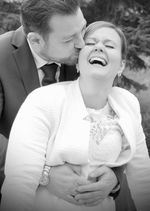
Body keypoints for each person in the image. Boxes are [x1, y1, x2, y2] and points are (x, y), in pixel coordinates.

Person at [0, 0, 127, 208]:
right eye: (69, 39)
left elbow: (114, 116)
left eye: (83, 29)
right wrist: (43, 173)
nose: (82, 44)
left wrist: (114, 175)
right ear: (35, 40)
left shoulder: (89, 51)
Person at [1, 21, 150, 211]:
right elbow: (19, 182)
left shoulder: (128, 103)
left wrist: (116, 178)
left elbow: (143, 176)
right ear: (78, 61)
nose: (99, 47)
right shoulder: (43, 100)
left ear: (121, 66)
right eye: (90, 43)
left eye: (109, 45)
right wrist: (45, 174)